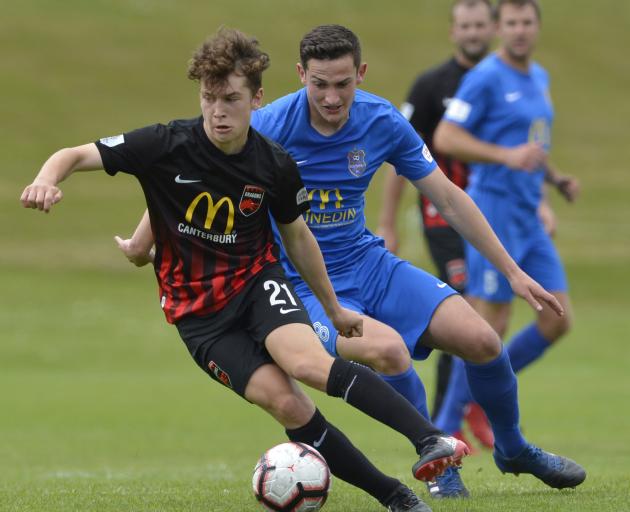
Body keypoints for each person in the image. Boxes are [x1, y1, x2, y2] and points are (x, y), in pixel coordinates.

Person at [20, 28, 482, 512]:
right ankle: (394, 494)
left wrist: (333, 309)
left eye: (231, 99)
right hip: (200, 316)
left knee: (309, 364)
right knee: (287, 403)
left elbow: (299, 239)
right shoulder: (164, 144)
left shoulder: (274, 164)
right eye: (209, 98)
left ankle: (432, 440)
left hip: (257, 285)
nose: (218, 111)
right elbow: (73, 155)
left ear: (256, 98)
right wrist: (45, 180)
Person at [120, 24, 586, 500]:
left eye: (342, 84)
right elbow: (188, 173)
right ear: (301, 75)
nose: (331, 97)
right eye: (319, 84)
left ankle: (513, 449)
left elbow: (447, 198)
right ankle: (440, 463)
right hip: (304, 285)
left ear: (360, 74)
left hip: (368, 263)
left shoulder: (381, 120)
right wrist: (142, 241)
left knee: (483, 340)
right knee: (387, 351)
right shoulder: (269, 124)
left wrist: (512, 271)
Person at [432, 0, 580, 461]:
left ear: (537, 27)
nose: (518, 30)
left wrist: (551, 183)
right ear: (499, 28)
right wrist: (505, 157)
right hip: (494, 210)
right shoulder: (484, 78)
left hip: (528, 216)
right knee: (485, 326)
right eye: (511, 22)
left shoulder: (540, 77)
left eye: (526, 22)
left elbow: (531, 145)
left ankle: (482, 391)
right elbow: (446, 138)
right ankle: (443, 429)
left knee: (557, 320)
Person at [377, 0, 496, 451]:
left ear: (492, 28)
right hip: (443, 216)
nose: (472, 32)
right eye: (464, 25)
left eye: (479, 24)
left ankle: (471, 406)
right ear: (453, 31)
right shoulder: (432, 87)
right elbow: (397, 158)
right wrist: (389, 220)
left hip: (496, 213)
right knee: (460, 304)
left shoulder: (504, 81)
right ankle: (451, 419)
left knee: (487, 313)